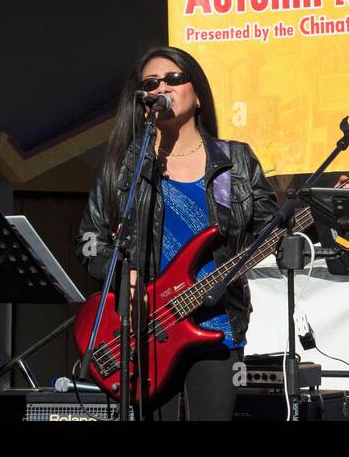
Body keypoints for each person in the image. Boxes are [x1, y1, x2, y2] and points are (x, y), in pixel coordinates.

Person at [77, 46, 278, 420]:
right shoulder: (123, 165)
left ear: (198, 93)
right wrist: (124, 276)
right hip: (145, 332)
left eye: (173, 79)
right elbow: (90, 241)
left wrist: (315, 211)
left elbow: (273, 227)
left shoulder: (235, 162)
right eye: (151, 83)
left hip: (217, 327)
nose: (162, 87)